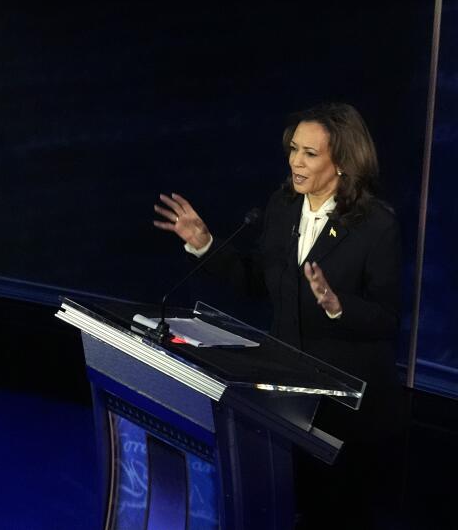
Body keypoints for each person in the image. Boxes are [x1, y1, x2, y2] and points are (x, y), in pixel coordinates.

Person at [152, 102, 404, 528]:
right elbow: (256, 283)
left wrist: (340, 307)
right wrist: (206, 244)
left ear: (341, 162)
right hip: (285, 398)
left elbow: (387, 317)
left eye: (309, 153)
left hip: (344, 409)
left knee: (338, 516)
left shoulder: (376, 225)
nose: (295, 161)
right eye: (293, 149)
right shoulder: (284, 205)